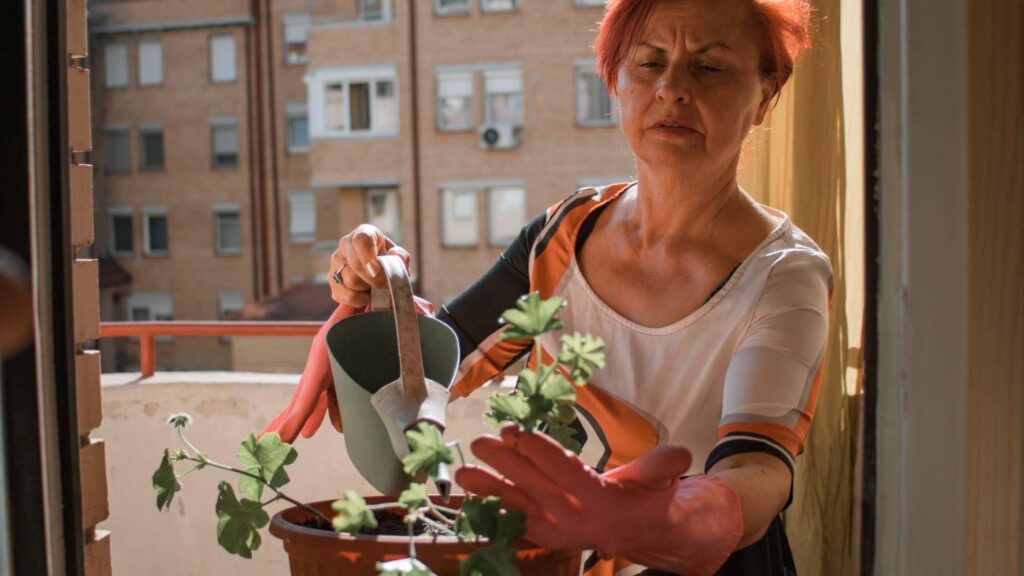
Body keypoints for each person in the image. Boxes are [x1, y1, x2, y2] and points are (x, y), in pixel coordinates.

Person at [266, 0, 829, 574]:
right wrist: (362, 297)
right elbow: (431, 373)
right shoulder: (561, 235)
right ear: (615, 81)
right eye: (648, 63)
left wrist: (665, 519)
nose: (672, 89)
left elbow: (759, 470)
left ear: (765, 94)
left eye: (708, 67)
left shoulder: (784, 274)